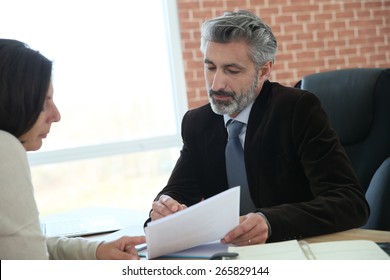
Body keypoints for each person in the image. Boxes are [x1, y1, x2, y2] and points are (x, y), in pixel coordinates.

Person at [146, 10, 370, 245]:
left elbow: (350, 203)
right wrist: (165, 208)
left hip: (296, 250)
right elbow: (178, 192)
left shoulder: (297, 110)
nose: (216, 84)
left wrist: (269, 221)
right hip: (233, 256)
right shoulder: (198, 123)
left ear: (264, 70)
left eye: (232, 71)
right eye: (210, 67)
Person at [0, 39, 145, 260]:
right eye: (43, 102)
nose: (56, 115)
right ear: (12, 100)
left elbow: (28, 243)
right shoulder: (5, 148)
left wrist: (95, 251)